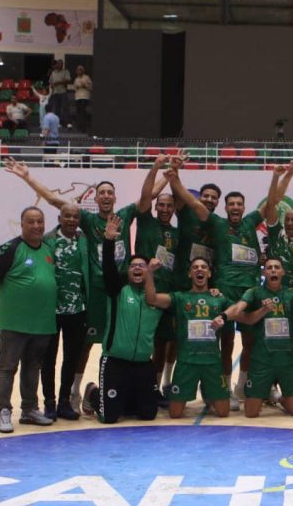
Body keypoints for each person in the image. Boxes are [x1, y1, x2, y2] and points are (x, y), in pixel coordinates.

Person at [5, 156, 164, 414]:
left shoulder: (124, 215)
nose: (105, 196)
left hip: (121, 291)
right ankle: (75, 391)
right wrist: (27, 177)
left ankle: (121, 386)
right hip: (96, 293)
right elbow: (55, 200)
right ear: (97, 198)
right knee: (85, 344)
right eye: (101, 192)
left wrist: (161, 172)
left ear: (114, 197)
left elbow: (147, 198)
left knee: (119, 340)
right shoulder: (88, 220)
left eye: (110, 193)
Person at [167, 163, 291, 408]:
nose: (235, 207)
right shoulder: (217, 223)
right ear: (225, 208)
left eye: (239, 204)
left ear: (244, 208)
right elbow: (193, 204)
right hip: (225, 290)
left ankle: (243, 386)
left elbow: (273, 201)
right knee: (225, 343)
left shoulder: (251, 222)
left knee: (252, 343)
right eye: (231, 204)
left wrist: (282, 175)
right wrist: (175, 179)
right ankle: (220, 390)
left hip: (250, 290)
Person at [213, 257, 293, 418]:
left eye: (277, 267)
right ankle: (264, 391)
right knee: (251, 413)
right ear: (264, 272)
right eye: (269, 268)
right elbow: (239, 308)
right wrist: (224, 317)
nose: (273, 270)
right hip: (262, 360)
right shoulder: (254, 293)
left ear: (283, 272)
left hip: (287, 361)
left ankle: (278, 398)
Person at [81, 215, 162, 424]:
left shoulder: (155, 297)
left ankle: (123, 398)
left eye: (142, 266)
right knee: (109, 417)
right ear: (128, 271)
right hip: (115, 362)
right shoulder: (117, 291)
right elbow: (108, 268)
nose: (137, 268)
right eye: (133, 265)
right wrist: (108, 240)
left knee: (147, 415)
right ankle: (92, 393)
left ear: (148, 271)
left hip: (143, 364)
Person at [0, 207, 57, 433]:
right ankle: (3, 411)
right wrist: (7, 299)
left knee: (33, 366)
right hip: (15, 321)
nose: (36, 226)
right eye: (31, 222)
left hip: (42, 321)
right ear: (22, 224)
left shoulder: (48, 248)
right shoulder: (10, 248)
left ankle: (29, 409)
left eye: (40, 221)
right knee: (7, 367)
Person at [144, 256, 233, 419]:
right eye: (195, 267)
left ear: (209, 274)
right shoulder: (180, 298)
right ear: (189, 274)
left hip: (212, 363)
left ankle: (208, 392)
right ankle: (206, 391)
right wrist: (149, 273)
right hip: (186, 362)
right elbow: (152, 299)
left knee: (223, 412)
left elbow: (237, 309)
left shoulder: (219, 298)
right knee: (175, 413)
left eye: (204, 267)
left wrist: (224, 315)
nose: (200, 269)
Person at [134, 166, 180, 408]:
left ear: (173, 209)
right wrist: (160, 171)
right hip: (144, 292)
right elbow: (145, 196)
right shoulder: (145, 220)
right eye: (160, 205)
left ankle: (163, 384)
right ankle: (143, 386)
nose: (164, 209)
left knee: (166, 343)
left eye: (168, 206)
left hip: (168, 294)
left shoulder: (177, 232)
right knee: (146, 344)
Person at [262, 162, 293, 390]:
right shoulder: (275, 235)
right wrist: (280, 177)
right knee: (272, 341)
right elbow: (271, 204)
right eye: (287, 219)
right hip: (273, 297)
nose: (289, 223)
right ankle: (270, 385)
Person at [41, 203, 89, 421]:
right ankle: (49, 403)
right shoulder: (48, 240)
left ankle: (64, 402)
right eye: (67, 216)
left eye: (75, 216)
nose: (71, 220)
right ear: (59, 218)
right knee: (48, 358)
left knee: (71, 358)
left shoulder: (83, 240)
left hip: (77, 309)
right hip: (51, 309)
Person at [48, 59, 72, 126]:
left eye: (62, 64)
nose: (61, 65)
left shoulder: (65, 71)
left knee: (64, 108)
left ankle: (66, 123)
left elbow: (69, 80)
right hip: (55, 92)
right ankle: (57, 123)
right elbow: (50, 82)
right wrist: (52, 85)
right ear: (57, 64)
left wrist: (59, 82)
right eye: (59, 63)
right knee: (56, 108)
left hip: (63, 92)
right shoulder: (53, 72)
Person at [72, 65, 92, 133]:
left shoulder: (87, 77)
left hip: (85, 97)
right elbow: (74, 88)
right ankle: (79, 127)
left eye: (80, 70)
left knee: (82, 111)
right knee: (78, 112)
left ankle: (84, 127)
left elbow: (91, 88)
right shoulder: (76, 79)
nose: (78, 71)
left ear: (82, 71)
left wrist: (85, 85)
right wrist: (77, 87)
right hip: (78, 97)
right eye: (77, 70)